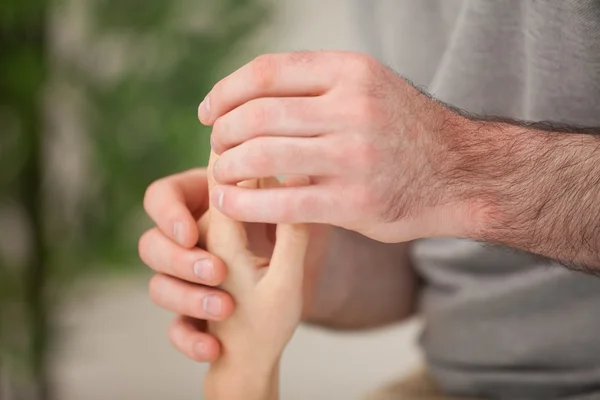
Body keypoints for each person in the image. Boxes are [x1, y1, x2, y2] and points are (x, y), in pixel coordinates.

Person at [138, 1, 600, 399]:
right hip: (457, 380)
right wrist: (306, 262)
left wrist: (456, 167)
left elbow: (442, 181)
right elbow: (430, 257)